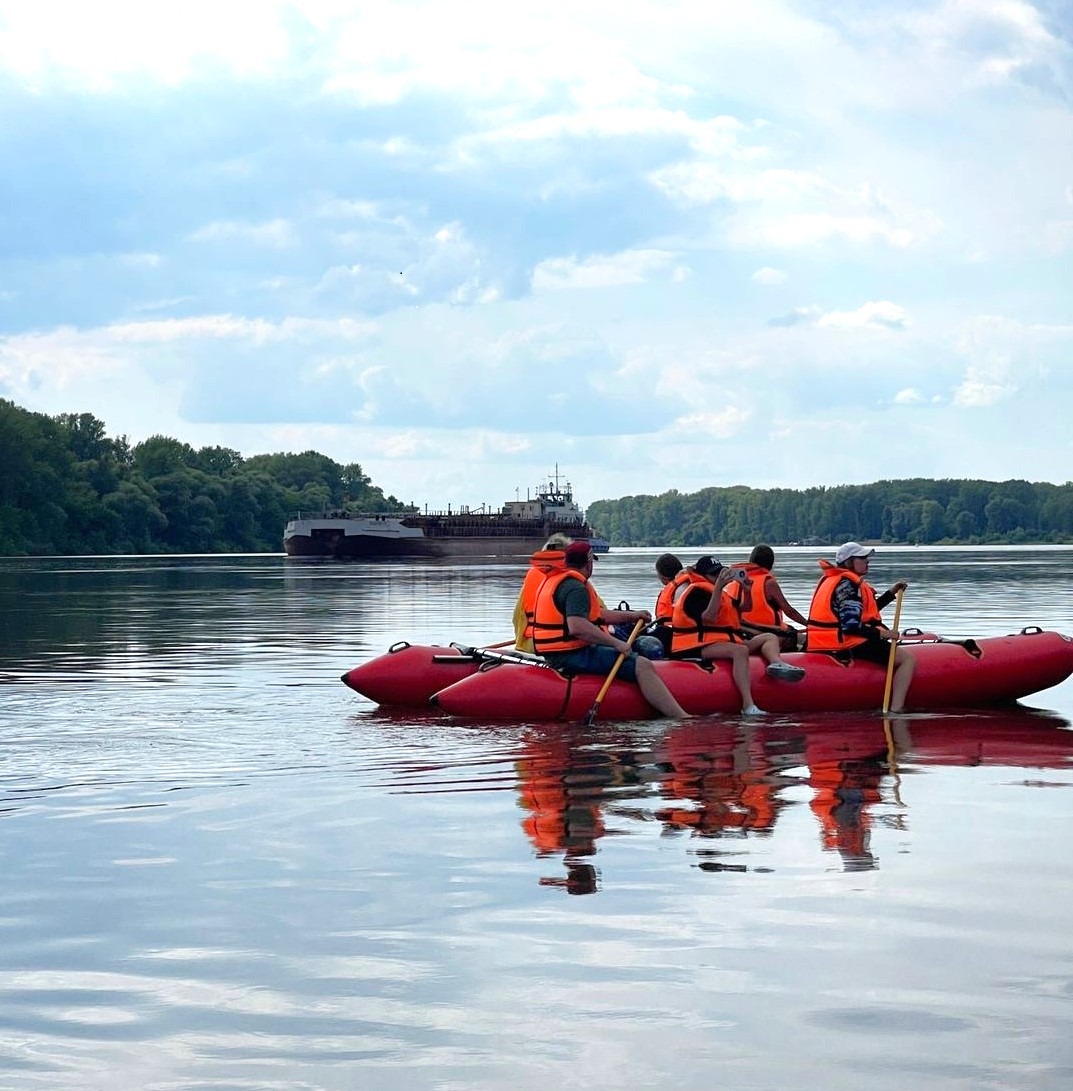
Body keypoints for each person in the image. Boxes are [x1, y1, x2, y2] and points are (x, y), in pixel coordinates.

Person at [532, 541, 691, 719]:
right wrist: (616, 643)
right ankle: (681, 717)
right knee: (642, 664)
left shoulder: (557, 579)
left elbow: (596, 615)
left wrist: (632, 616)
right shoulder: (575, 587)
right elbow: (578, 627)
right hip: (572, 655)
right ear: (589, 562)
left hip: (556, 652)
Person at [668, 555, 806, 716]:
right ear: (703, 575)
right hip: (694, 645)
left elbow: (743, 608)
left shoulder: (717, 592)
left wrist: (747, 592)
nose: (718, 577)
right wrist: (719, 588)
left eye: (719, 573)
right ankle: (748, 705)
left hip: (721, 641)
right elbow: (708, 617)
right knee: (740, 651)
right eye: (714, 575)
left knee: (769, 637)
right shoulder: (696, 591)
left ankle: (776, 663)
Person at [806, 541, 916, 713]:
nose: (867, 561)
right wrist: (883, 634)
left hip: (824, 642)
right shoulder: (849, 585)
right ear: (849, 562)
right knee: (907, 660)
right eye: (862, 558)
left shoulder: (836, 580)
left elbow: (865, 613)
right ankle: (896, 709)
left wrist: (891, 593)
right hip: (848, 644)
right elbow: (851, 626)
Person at [726, 544, 808, 651]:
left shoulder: (733, 581)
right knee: (800, 637)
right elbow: (789, 611)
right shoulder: (769, 583)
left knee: (794, 633)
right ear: (770, 563)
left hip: (742, 631)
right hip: (766, 630)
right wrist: (808, 624)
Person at [513, 533, 571, 652]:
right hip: (557, 645)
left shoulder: (532, 575)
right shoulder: (571, 578)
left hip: (530, 642)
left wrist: (521, 642)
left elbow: (517, 617)